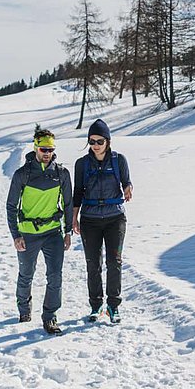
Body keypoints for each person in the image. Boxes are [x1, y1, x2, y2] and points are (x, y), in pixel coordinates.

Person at [6, 125, 74, 335]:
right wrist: (16, 235)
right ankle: (24, 309)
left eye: (51, 150)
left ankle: (50, 317)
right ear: (35, 148)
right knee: (26, 274)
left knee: (55, 276)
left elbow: (69, 203)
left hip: (53, 232)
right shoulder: (22, 175)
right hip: (28, 234)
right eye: (43, 149)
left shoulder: (61, 173)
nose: (47, 153)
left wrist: (68, 231)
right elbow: (11, 206)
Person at [73, 119, 132, 324]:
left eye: (99, 141)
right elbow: (77, 192)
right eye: (91, 141)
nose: (95, 145)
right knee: (93, 264)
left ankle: (113, 306)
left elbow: (126, 181)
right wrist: (74, 218)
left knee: (114, 262)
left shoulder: (119, 160)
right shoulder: (82, 164)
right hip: (90, 219)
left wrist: (128, 187)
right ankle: (96, 305)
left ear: (108, 141)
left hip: (115, 218)